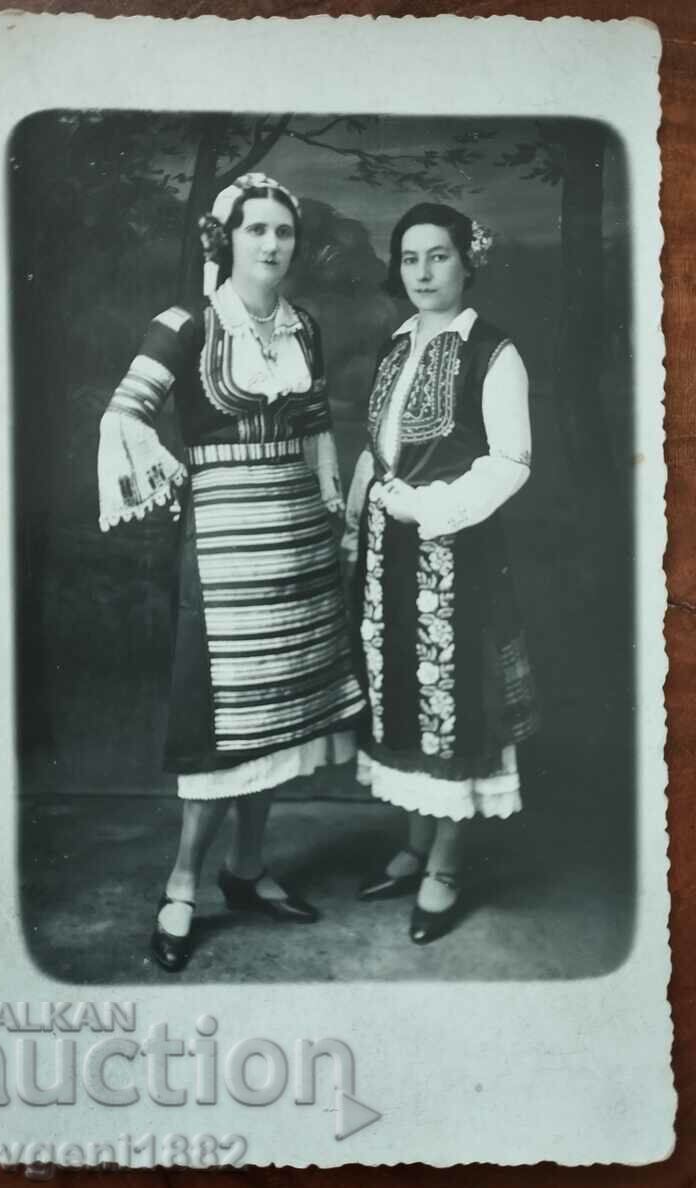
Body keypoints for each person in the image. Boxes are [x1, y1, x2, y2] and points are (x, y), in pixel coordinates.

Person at [98, 172, 365, 971]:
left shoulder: (302, 326)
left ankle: (247, 871)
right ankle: (183, 885)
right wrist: (173, 476)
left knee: (284, 711)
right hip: (225, 541)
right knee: (226, 719)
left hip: (300, 540)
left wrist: (331, 502)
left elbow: (316, 420)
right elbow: (124, 413)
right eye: (258, 231)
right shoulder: (185, 325)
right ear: (227, 239)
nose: (274, 244)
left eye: (284, 231)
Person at [343, 202, 538, 945]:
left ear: (467, 261)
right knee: (406, 695)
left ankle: (448, 862)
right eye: (411, 259)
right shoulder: (397, 345)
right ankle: (417, 841)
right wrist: (363, 512)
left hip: (456, 552)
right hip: (391, 556)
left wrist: (432, 509)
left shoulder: (494, 351)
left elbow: (509, 462)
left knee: (457, 699)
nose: (423, 273)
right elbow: (379, 450)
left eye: (439, 257)